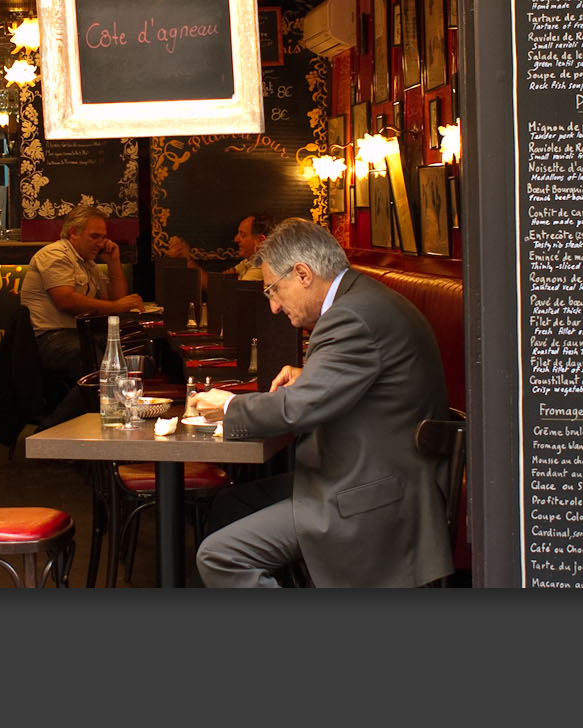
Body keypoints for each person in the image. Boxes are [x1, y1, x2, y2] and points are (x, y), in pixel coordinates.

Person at [191, 218, 452, 587]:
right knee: (231, 504)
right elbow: (358, 383)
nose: (275, 308)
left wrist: (230, 406)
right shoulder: (363, 299)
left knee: (219, 556)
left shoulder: (351, 316)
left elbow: (298, 409)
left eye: (272, 291)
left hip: (373, 498)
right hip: (372, 475)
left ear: (302, 274)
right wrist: (309, 378)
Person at [17, 205, 142, 425]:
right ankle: (51, 434)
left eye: (103, 237)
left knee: (133, 353)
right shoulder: (55, 254)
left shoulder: (87, 263)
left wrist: (113, 262)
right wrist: (116, 306)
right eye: (94, 236)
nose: (101, 243)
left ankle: (106, 426)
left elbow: (115, 298)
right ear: (73, 233)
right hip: (49, 339)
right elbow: (66, 300)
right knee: (103, 365)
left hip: (75, 335)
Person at [226, 213, 276, 279]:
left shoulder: (263, 265)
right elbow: (222, 278)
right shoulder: (249, 260)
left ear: (261, 241)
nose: (236, 239)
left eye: (242, 235)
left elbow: (236, 288)